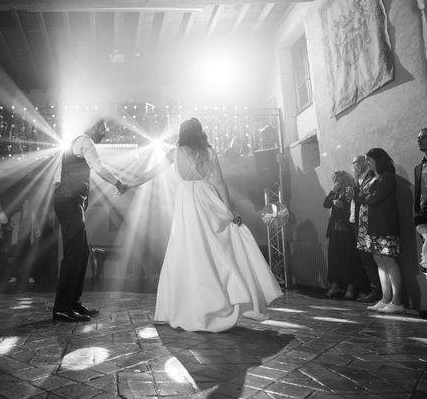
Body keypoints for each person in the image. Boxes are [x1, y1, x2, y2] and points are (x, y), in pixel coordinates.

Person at [127, 118, 282, 332]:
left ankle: (185, 308)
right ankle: (220, 303)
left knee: (187, 252)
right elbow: (219, 182)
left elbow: (150, 173)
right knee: (215, 250)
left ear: (182, 133)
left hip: (186, 204)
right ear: (200, 133)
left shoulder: (175, 153)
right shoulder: (208, 152)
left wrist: (128, 184)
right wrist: (229, 210)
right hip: (207, 200)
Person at [53, 118, 128, 322]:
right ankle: (61, 307)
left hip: (69, 201)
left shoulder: (75, 144)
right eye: (104, 129)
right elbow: (99, 166)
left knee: (82, 251)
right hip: (69, 202)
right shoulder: (86, 140)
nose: (105, 133)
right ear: (95, 126)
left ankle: (73, 303)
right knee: (73, 254)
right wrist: (118, 183)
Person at [358, 148, 404, 314]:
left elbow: (375, 197)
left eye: (369, 159)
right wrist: (364, 196)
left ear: (379, 160)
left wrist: (365, 197)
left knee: (389, 260)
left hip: (384, 223)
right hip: (369, 224)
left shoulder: (388, 176)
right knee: (379, 261)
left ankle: (397, 301)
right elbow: (360, 195)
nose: (367, 162)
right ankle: (385, 298)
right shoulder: (370, 177)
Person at [323, 170, 367, 299]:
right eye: (334, 179)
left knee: (349, 259)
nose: (335, 181)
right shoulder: (335, 192)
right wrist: (332, 191)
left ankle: (350, 287)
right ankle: (335, 285)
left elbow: (354, 208)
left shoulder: (350, 190)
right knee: (335, 259)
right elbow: (326, 204)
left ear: (343, 179)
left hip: (347, 229)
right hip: (335, 230)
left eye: (337, 179)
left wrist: (343, 206)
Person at [350, 155, 382, 302]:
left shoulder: (372, 176)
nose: (354, 166)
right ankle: (373, 289)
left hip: (370, 221)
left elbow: (362, 198)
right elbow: (356, 199)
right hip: (356, 222)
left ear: (364, 163)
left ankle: (380, 291)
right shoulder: (356, 180)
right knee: (365, 258)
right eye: (353, 163)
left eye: (356, 163)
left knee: (374, 257)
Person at [414, 128, 427, 319]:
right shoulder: (419, 168)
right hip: (425, 221)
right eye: (418, 139)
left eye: (424, 137)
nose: (419, 141)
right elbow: (419, 195)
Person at [8, 198, 41, 285]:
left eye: (27, 203)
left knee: (28, 260)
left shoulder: (32, 214)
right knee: (16, 260)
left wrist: (38, 235)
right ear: (22, 205)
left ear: (29, 205)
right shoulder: (17, 215)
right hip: (18, 240)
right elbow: (11, 224)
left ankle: (30, 277)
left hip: (28, 240)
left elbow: (36, 226)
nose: (26, 205)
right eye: (24, 203)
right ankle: (14, 277)